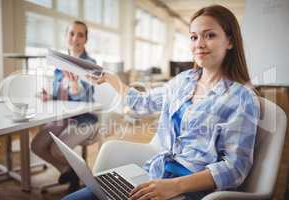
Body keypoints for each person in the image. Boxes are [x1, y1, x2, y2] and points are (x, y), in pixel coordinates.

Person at [63, 5, 260, 200]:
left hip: (190, 189)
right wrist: (111, 78)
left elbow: (235, 168)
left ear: (230, 41)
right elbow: (142, 103)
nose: (199, 43)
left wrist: (174, 186)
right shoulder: (183, 80)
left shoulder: (241, 98)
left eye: (209, 35)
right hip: (156, 176)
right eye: (194, 36)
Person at [31, 20, 98, 192]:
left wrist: (76, 87)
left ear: (86, 39)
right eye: (71, 33)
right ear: (66, 36)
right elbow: (58, 93)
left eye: (80, 35)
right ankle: (69, 172)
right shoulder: (60, 64)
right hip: (61, 118)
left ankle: (90, 184)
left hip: (84, 119)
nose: (75, 38)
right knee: (36, 145)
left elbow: (86, 99)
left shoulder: (90, 64)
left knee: (57, 149)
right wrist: (50, 95)